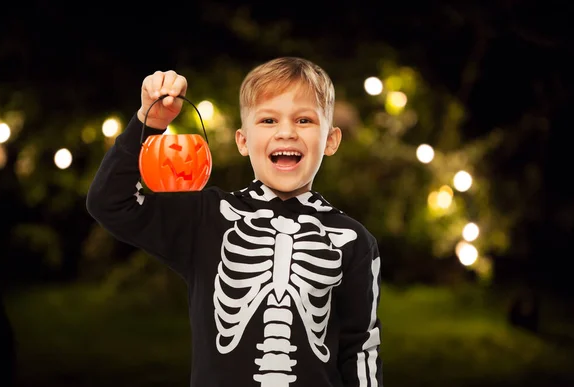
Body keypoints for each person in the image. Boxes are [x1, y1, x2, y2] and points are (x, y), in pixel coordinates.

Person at [86, 57, 383, 387]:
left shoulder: (352, 240)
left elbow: (360, 350)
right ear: (243, 141)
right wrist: (148, 123)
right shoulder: (206, 218)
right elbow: (111, 202)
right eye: (268, 120)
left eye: (304, 120)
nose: (286, 132)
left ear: (330, 140)